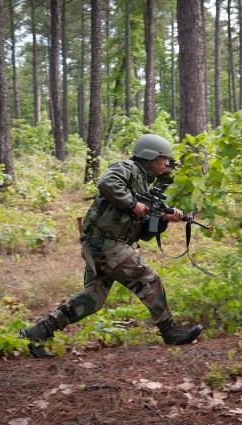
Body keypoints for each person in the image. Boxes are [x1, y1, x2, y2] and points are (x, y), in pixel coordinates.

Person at [20, 134, 203, 358]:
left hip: (105, 244)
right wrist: (133, 203)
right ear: (150, 156)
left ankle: (37, 332)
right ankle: (170, 332)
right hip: (105, 243)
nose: (167, 163)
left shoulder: (145, 183)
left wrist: (163, 218)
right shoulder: (127, 168)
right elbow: (107, 182)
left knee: (93, 298)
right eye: (164, 158)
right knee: (148, 278)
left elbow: (144, 234)